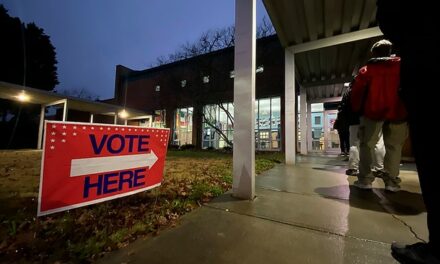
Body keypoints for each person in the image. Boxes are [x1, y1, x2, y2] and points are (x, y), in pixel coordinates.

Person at [376, 1, 440, 263]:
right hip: (399, 109)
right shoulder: (395, 66)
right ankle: (390, 178)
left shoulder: (375, 69)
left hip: (415, 89)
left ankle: (380, 177)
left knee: (375, 145)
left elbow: (391, 17)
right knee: (390, 147)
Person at [350, 39, 408, 192]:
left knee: (367, 145)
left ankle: (365, 179)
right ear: (390, 51)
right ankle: (391, 182)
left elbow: (357, 94)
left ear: (374, 53)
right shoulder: (402, 67)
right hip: (398, 112)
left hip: (372, 112)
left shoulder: (366, 71)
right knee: (394, 147)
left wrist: (357, 110)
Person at [340, 79, 386, 177]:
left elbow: (344, 107)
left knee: (355, 144)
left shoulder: (350, 91)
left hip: (354, 120)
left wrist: (346, 121)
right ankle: (379, 169)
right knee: (378, 142)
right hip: (374, 118)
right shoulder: (374, 86)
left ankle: (353, 168)